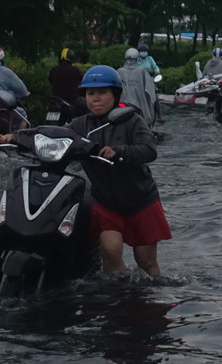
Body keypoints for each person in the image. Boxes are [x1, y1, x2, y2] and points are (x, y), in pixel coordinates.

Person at [67, 65, 170, 277]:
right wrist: (18, 137)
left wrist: (119, 152)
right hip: (106, 202)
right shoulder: (80, 125)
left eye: (102, 92)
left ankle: (150, 299)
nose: (95, 98)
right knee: (111, 250)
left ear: (115, 95)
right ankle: (118, 297)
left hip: (141, 200)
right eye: (90, 93)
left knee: (146, 261)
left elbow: (149, 150)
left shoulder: (131, 120)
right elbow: (54, 135)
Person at [118, 47, 159, 124]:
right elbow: (150, 90)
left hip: (123, 103)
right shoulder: (141, 70)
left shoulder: (119, 71)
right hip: (139, 105)